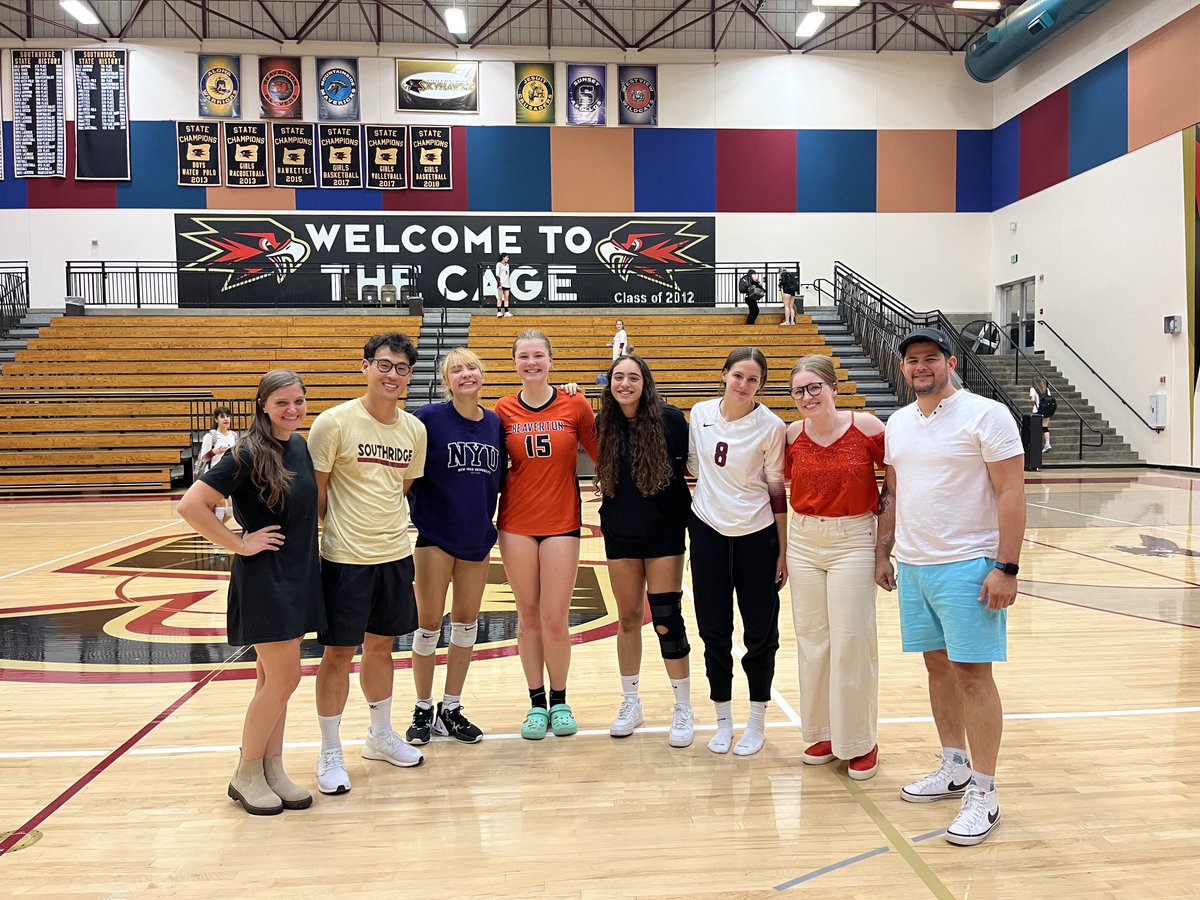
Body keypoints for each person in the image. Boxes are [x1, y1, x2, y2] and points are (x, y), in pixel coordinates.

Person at [875, 326, 1025, 847]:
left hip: (969, 564)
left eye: (931, 358)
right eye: (913, 360)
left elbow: (1010, 491)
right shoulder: (898, 423)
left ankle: (984, 791)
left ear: (951, 362)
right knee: (936, 668)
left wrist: (1007, 565)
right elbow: (894, 493)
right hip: (915, 565)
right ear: (903, 368)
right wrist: (883, 550)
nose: (922, 367)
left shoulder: (987, 414)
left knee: (972, 678)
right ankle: (954, 764)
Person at [177, 370, 325, 816]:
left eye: (298, 401)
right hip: (266, 578)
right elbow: (190, 505)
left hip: (299, 573)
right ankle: (245, 773)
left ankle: (271, 769)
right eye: (282, 402)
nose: (293, 410)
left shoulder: (298, 444)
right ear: (263, 405)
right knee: (284, 678)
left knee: (271, 681)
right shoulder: (246, 453)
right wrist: (240, 543)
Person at [309, 332, 428, 795]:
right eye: (384, 364)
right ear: (365, 366)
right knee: (338, 654)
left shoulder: (414, 430)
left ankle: (380, 736)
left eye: (401, 368)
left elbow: (400, 490)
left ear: (409, 375)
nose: (391, 374)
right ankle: (330, 749)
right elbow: (318, 494)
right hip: (344, 559)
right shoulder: (333, 423)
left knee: (382, 649)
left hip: (395, 556)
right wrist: (340, 530)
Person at [785, 355, 885, 780]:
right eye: (798, 391)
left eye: (814, 387)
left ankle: (860, 740)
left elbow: (896, 483)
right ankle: (824, 731)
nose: (807, 397)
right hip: (803, 538)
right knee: (813, 641)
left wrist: (886, 548)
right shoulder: (791, 434)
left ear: (832, 387)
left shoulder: (868, 428)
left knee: (851, 640)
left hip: (854, 538)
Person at [495, 330, 599, 741]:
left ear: (551, 360)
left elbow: (602, 453)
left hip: (562, 523)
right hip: (516, 524)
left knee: (555, 619)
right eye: (524, 356)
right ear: (515, 362)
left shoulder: (575, 402)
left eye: (538, 355)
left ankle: (560, 699)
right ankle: (536, 702)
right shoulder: (502, 410)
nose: (531, 362)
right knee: (528, 617)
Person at [687, 347, 787, 756]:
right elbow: (694, 467)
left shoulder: (771, 426)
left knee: (760, 633)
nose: (744, 385)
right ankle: (723, 720)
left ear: (761, 385)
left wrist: (782, 549)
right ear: (724, 374)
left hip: (757, 535)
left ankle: (757, 722)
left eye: (753, 380)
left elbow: (778, 490)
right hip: (709, 532)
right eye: (738, 376)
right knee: (714, 632)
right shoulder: (700, 414)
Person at [404, 347, 504, 746]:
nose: (466, 374)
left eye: (473, 367)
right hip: (435, 536)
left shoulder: (495, 423)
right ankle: (423, 707)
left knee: (465, 627)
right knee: (428, 626)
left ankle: (451, 707)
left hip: (477, 537)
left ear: (482, 375)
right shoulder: (428, 418)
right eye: (456, 370)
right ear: (447, 381)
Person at [596, 353, 694, 747]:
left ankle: (683, 707)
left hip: (665, 533)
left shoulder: (670, 420)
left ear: (645, 382)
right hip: (620, 532)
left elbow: (695, 464)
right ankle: (631, 701)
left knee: (667, 617)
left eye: (632, 377)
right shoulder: (602, 423)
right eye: (618, 377)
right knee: (628, 618)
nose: (624, 384)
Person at [197, 406, 238, 533]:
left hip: (229, 475)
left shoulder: (234, 436)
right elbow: (204, 457)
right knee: (220, 506)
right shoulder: (211, 436)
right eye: (222, 416)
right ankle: (217, 537)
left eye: (227, 416)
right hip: (214, 474)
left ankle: (214, 531)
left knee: (230, 511)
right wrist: (215, 451)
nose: (226, 419)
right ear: (216, 419)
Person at [1029, 375, 1056, 451]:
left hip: (1037, 411)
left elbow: (1033, 399)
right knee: (1045, 428)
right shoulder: (1046, 389)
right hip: (1047, 410)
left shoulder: (1033, 389)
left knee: (1036, 428)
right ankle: (1047, 443)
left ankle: (1036, 445)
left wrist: (1029, 400)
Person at [495, 253, 512, 318]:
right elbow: (497, 274)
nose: (508, 259)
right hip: (501, 284)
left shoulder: (507, 265)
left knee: (506, 298)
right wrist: (499, 284)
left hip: (507, 284)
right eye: (507, 257)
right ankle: (499, 312)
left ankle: (506, 312)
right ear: (503, 257)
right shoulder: (499, 264)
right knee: (500, 297)